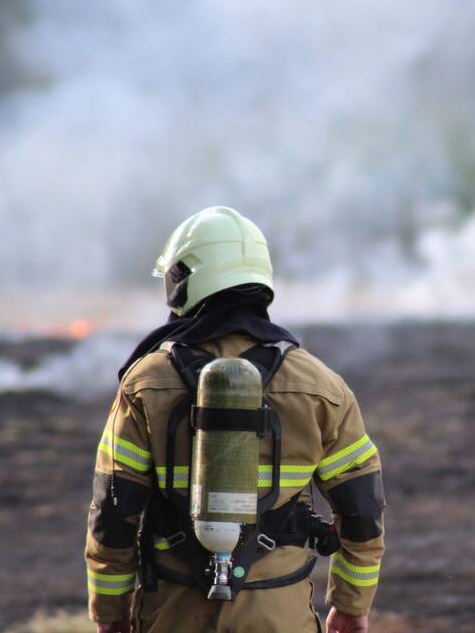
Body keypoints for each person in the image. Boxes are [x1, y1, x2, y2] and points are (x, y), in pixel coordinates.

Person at [85, 206, 385, 633]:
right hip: (279, 617)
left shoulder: (145, 383)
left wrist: (111, 616)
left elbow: (113, 515)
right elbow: (363, 509)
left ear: (186, 279)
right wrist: (352, 605)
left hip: (174, 614)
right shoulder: (321, 386)